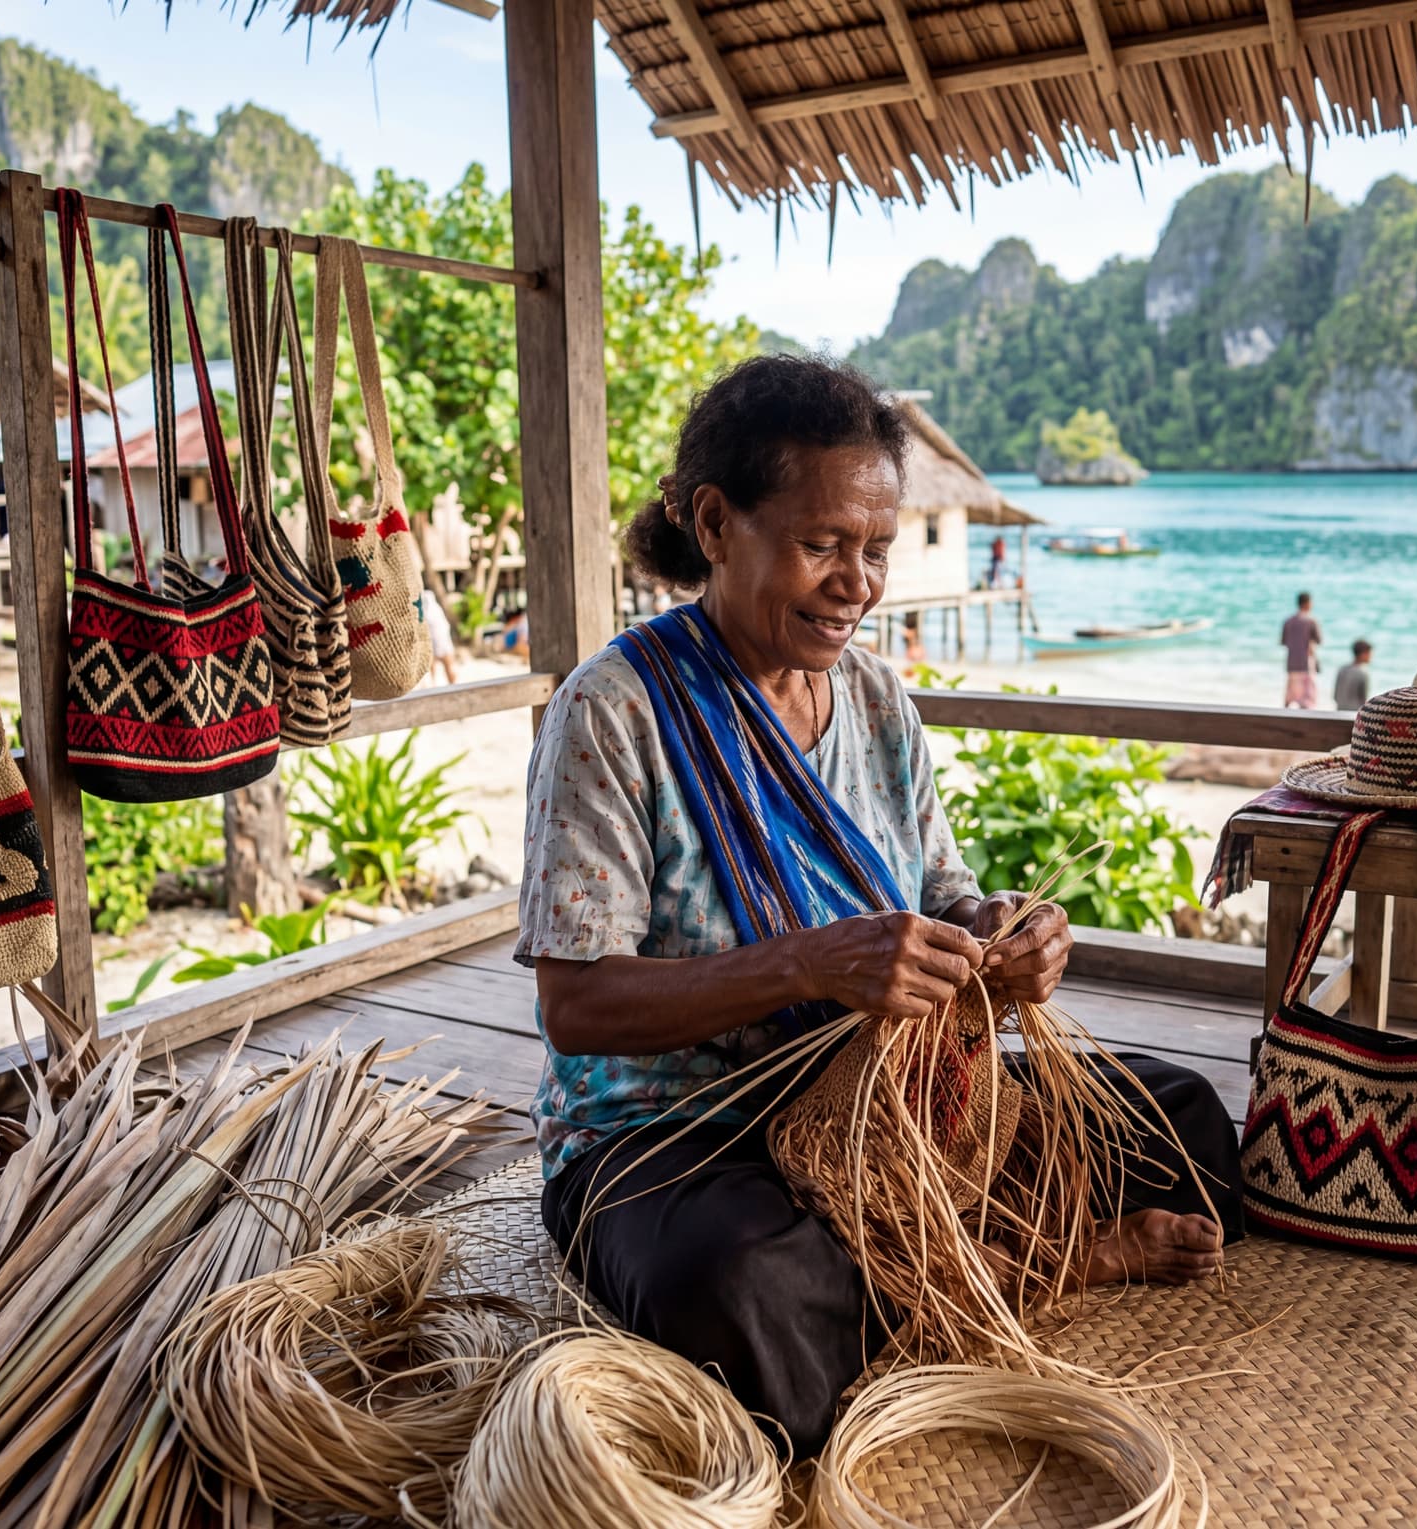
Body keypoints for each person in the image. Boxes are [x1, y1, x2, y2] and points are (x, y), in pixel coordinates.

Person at [519, 355, 1242, 1457]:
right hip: (679, 1132)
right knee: (740, 1281)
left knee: (1176, 1117)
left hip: (885, 1108)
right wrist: (807, 965)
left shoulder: (872, 695)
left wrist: (1004, 931)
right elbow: (576, 1004)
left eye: (874, 549)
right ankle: (1038, 1262)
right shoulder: (612, 711)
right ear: (715, 524)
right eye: (819, 545)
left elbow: (940, 889)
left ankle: (945, 1270)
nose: (855, 581)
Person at [1280, 592, 1322, 708]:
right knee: (1308, 698)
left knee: (1290, 696)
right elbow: (1319, 640)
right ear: (1308, 603)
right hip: (1306, 663)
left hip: (1292, 663)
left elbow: (1283, 641)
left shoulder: (1288, 621)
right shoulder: (1311, 621)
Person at [421, 586, 458, 689]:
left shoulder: (427, 609)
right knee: (448, 665)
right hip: (442, 639)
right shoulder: (435, 608)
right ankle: (453, 686)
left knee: (443, 665)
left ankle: (437, 685)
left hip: (437, 639)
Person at [1333, 638, 1373, 712]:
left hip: (1339, 710)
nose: (1371, 657)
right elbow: (1364, 701)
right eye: (1369, 653)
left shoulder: (1342, 669)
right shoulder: (1363, 674)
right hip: (1354, 714)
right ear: (1363, 654)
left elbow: (1335, 696)